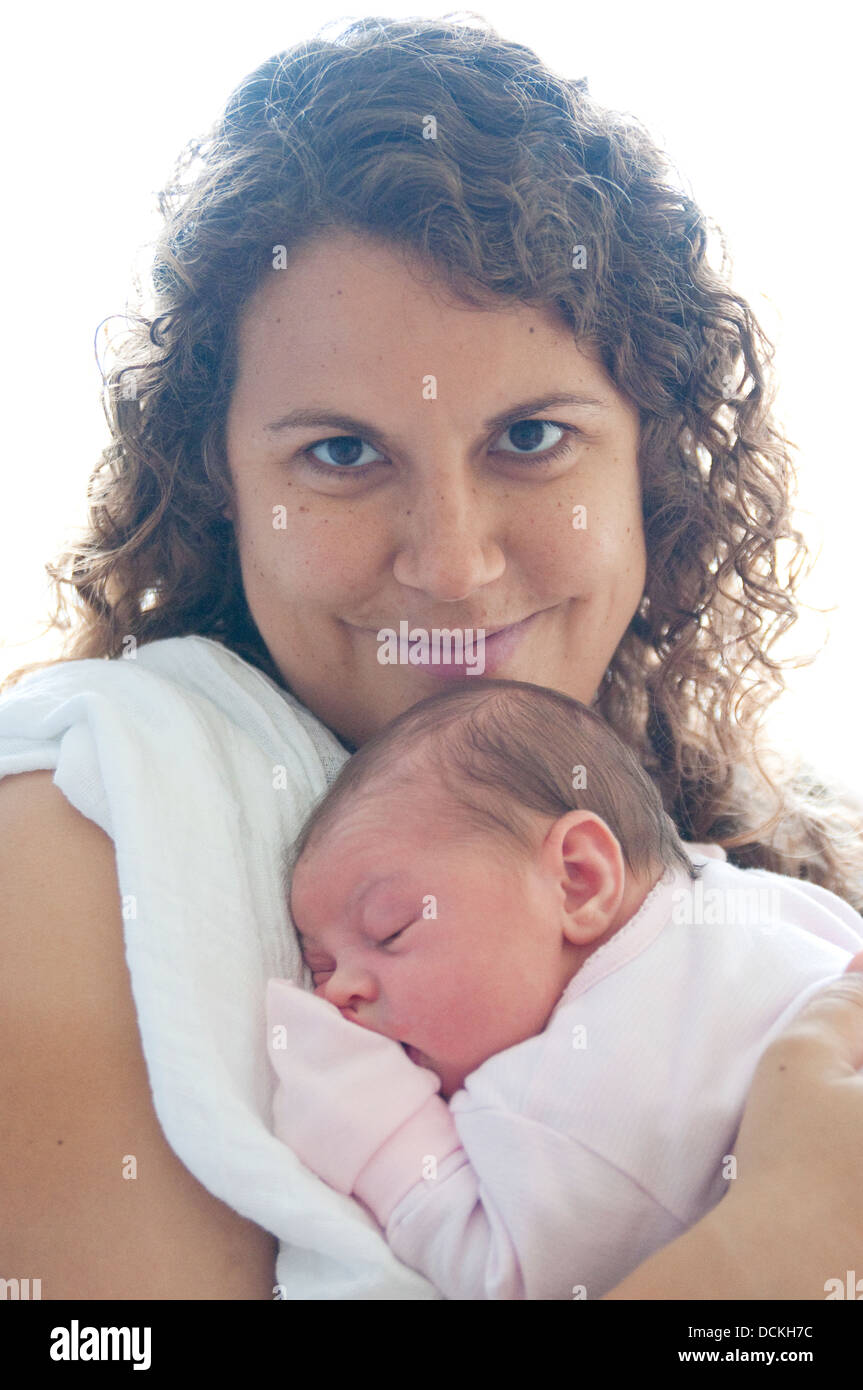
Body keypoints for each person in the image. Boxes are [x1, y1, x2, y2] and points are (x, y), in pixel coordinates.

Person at [1, 14, 862, 1300]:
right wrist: (774, 1253)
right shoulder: (88, 822)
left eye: (528, 436)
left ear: (652, 463)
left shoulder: (767, 873)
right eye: (340, 455)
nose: (451, 563)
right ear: (218, 484)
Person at [266, 678, 863, 1299]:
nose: (337, 997)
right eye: (322, 967)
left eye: (390, 930)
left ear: (577, 879)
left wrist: (383, 1135)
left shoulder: (555, 1097)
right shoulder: (755, 897)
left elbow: (503, 1276)